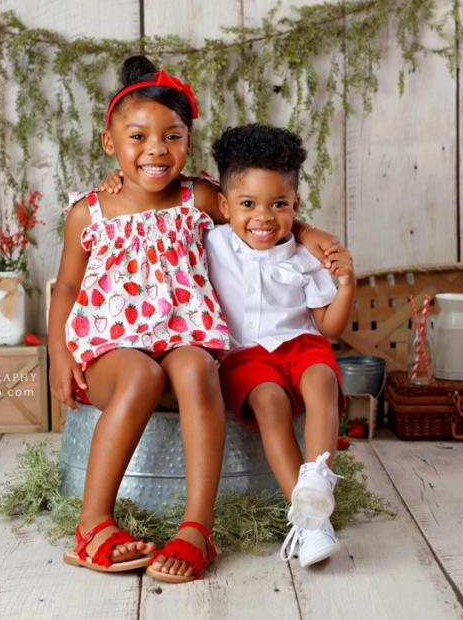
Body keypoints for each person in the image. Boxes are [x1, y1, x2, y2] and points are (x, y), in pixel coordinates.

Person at [51, 56, 338, 582]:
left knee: (197, 368)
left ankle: (196, 529)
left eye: (173, 135)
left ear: (189, 139)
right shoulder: (89, 211)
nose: (157, 149)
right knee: (142, 373)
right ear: (110, 143)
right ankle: (93, 523)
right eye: (138, 136)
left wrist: (312, 237)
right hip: (112, 351)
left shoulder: (200, 197)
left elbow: (263, 215)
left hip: (183, 336)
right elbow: (67, 286)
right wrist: (57, 354)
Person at [207, 123, 354, 567]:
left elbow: (329, 327)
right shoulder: (212, 241)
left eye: (279, 204)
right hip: (245, 355)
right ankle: (312, 526)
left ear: (296, 204)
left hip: (299, 344)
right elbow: (179, 188)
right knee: (271, 406)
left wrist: (346, 282)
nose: (263, 217)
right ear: (224, 205)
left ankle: (318, 478)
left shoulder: (306, 256)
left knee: (323, 379)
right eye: (248, 204)